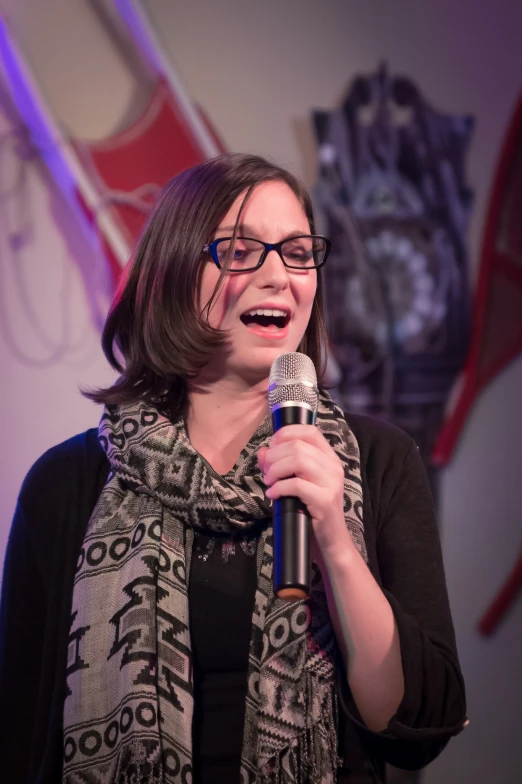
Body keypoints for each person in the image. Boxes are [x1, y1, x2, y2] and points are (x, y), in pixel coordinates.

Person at [0, 153, 467, 784]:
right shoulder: (66, 485)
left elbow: (416, 724)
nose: (280, 276)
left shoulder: (376, 460)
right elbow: (18, 735)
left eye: (299, 252)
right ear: (172, 275)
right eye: (242, 251)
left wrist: (334, 537)